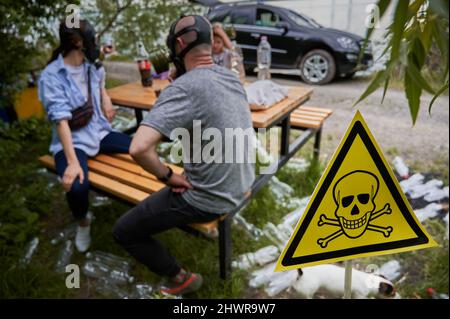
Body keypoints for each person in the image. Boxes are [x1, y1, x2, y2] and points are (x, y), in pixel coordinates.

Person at [113, 15, 255, 295]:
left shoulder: (183, 88)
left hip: (207, 197)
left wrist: (168, 176)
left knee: (123, 231)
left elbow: (139, 148)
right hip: (242, 183)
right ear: (209, 44)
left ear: (178, 45)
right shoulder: (231, 77)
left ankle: (180, 278)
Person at [38, 20, 131, 253]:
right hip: (73, 141)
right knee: (77, 186)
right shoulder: (52, 75)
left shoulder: (91, 66)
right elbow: (60, 120)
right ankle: (83, 221)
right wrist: (71, 162)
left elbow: (100, 85)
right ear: (77, 42)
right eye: (92, 37)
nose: (95, 42)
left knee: (138, 145)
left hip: (99, 133)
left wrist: (106, 99)